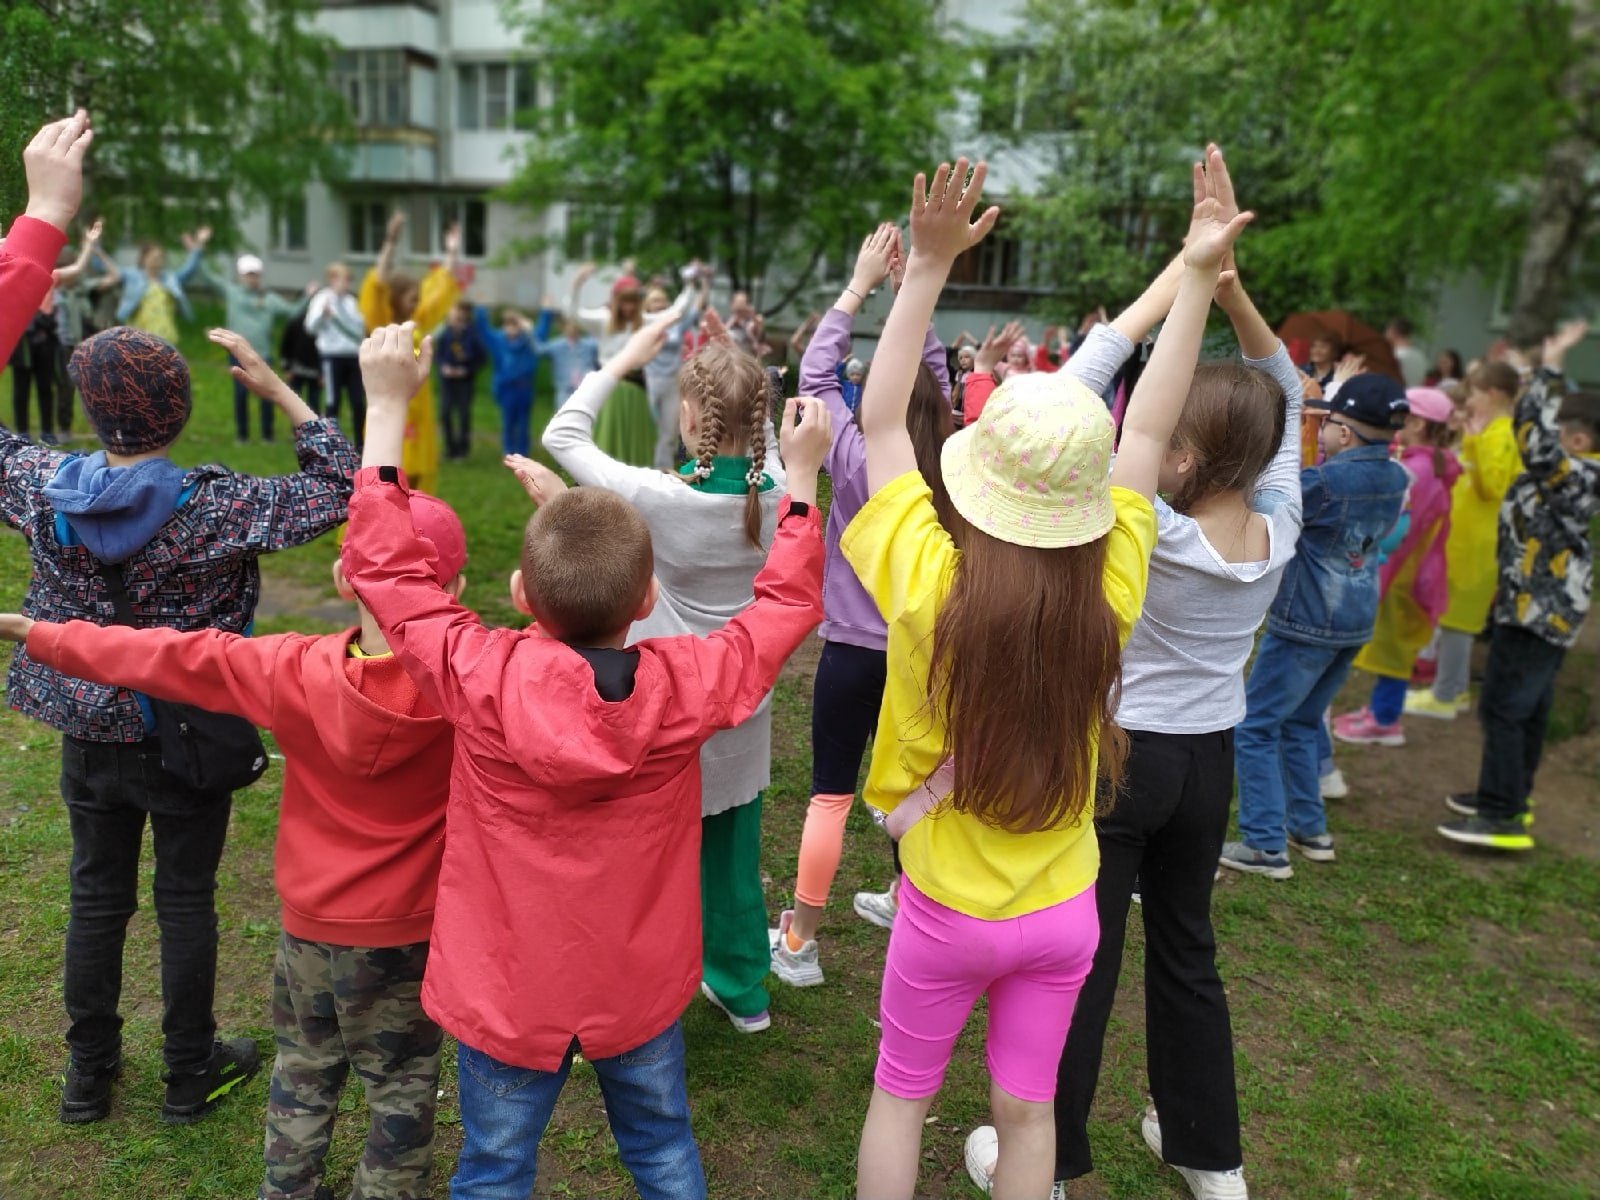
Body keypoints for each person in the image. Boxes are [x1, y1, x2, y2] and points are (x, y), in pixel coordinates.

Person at [343, 321, 829, 1200]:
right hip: (635, 987)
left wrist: (384, 412)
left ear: (521, 594)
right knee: (663, 1150)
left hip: (506, 990)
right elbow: (786, 604)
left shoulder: (477, 674)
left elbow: (388, 574)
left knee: (492, 1167)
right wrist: (800, 481)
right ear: (646, 601)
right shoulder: (690, 687)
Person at [847, 152, 1250, 1200]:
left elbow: (883, 420)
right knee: (1027, 1115)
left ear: (974, 480)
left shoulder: (927, 581)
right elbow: (1153, 423)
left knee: (902, 1096)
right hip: (1067, 903)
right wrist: (1198, 272)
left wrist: (925, 268)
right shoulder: (1111, 581)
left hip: (943, 901)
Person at [3, 141, 359, 1126]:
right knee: (184, 902)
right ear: (180, 408)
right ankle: (187, 1072)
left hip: (86, 718)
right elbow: (343, 483)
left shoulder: (37, 482)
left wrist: (27, 276)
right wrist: (284, 392)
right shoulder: (221, 506)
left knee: (93, 899)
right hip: (190, 723)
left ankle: (87, 1082)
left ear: (88, 408)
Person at [967, 149, 1289, 1200]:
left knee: (1086, 966)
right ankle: (1211, 1159)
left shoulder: (1133, 523)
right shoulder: (1274, 525)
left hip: (1116, 764)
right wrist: (1229, 290)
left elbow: (1079, 383)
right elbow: (1280, 391)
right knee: (1188, 954)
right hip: (1207, 769)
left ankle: (1048, 1165)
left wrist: (1186, 278)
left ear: (1175, 459)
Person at [0, 491, 467, 1200]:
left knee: (303, 1071)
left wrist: (39, 633)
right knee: (401, 1084)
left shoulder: (292, 667)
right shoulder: (481, 680)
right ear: (458, 589)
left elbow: (161, 656)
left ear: (344, 580)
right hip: (408, 935)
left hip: (310, 929)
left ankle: (287, 1189)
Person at [544, 313, 788, 1033]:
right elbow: (764, 448)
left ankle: (642, 993)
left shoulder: (658, 497)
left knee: (649, 859)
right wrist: (743, 377)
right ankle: (743, 990)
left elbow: (563, 435)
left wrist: (624, 356)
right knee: (734, 857)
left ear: (689, 415)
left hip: (667, 708)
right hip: (745, 706)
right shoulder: (779, 491)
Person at [769, 221, 955, 984]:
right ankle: (912, 903)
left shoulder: (851, 452)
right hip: (927, 647)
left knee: (832, 793)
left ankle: (802, 943)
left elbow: (813, 379)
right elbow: (934, 376)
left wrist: (860, 286)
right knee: (920, 788)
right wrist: (922, 285)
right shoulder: (956, 451)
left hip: (851, 650)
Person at [1225, 373, 1410, 877]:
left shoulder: (1325, 483)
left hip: (1306, 622)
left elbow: (1266, 502)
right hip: (1354, 621)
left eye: (1325, 423)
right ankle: (1310, 828)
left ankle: (1265, 844)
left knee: (1256, 726)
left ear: (1344, 433)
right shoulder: (1396, 476)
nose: (1321, 430)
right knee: (1303, 723)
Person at [1440, 321, 1599, 849]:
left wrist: (1548, 369)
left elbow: (1531, 436)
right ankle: (1508, 795)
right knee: (1524, 708)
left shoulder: (1577, 475)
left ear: (1578, 440)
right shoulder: (1577, 472)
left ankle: (1502, 813)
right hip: (1530, 604)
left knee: (1505, 707)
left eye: (1561, 436)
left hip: (1539, 611)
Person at [1332, 388, 1461, 747]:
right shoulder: (1429, 461)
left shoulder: (1418, 470)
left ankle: (1385, 720)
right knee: (1394, 643)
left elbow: (1400, 528)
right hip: (1416, 569)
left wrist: (1379, 572)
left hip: (1405, 574)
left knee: (1393, 647)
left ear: (1416, 423)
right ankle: (1378, 709)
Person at [1403, 361, 1522, 720]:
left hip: (1478, 544)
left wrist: (1472, 439)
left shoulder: (1503, 434)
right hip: (1462, 539)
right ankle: (1448, 688)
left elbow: (1492, 488)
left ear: (1494, 394)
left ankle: (1448, 694)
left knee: (1459, 621)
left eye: (1472, 393)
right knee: (1451, 614)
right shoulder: (1490, 431)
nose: (1467, 401)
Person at [358, 211, 465, 494]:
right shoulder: (380, 321)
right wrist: (390, 241)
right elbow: (377, 283)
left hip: (419, 412)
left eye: (418, 295)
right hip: (391, 411)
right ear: (394, 297)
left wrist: (452, 252)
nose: (417, 299)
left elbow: (441, 288)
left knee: (417, 480)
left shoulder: (416, 322)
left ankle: (416, 529)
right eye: (411, 295)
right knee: (388, 476)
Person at [190, 229, 315, 444]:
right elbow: (206, 275)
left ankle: (267, 435)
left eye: (255, 274)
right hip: (236, 352)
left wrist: (307, 296)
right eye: (248, 274)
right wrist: (199, 247)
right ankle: (242, 435)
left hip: (262, 354)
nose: (252, 278)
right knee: (240, 394)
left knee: (266, 394)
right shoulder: (232, 291)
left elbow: (293, 312)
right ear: (240, 275)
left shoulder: (269, 298)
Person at [567, 260, 664, 467]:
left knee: (635, 442)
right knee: (606, 441)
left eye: (632, 302)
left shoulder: (644, 322)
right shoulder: (604, 321)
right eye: (624, 301)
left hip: (635, 389)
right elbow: (574, 314)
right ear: (616, 301)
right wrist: (577, 284)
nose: (628, 307)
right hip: (609, 387)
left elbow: (674, 314)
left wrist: (693, 284)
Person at [643, 270, 709, 470]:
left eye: (663, 301)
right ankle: (640, 465)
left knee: (669, 430)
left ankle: (661, 469)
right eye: (656, 301)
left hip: (672, 381)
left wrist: (703, 286)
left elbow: (696, 309)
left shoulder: (676, 327)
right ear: (648, 306)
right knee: (646, 427)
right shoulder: (644, 324)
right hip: (651, 381)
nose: (660, 304)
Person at [306, 261, 369, 444]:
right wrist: (322, 316)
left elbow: (359, 328)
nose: (346, 284)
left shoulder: (351, 302)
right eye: (342, 279)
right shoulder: (322, 299)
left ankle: (361, 443)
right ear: (332, 280)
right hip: (331, 357)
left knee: (358, 401)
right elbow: (310, 327)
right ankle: (331, 442)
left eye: (348, 280)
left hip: (352, 356)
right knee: (333, 401)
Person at [110, 230, 204, 344]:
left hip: (165, 335)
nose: (156, 260)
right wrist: (94, 248)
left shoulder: (170, 279)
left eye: (160, 257)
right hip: (139, 336)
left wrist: (198, 245)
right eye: (153, 257)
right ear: (144, 258)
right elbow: (110, 270)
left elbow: (189, 269)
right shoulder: (133, 276)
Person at [434, 299, 488, 460]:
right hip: (448, 381)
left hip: (464, 381)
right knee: (445, 413)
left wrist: (466, 370)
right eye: (453, 314)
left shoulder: (472, 334)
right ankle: (450, 449)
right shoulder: (446, 333)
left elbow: (481, 358)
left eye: (458, 314)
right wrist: (443, 367)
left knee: (464, 414)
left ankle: (462, 450)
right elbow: (438, 355)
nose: (455, 317)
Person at [533, 312, 600, 411]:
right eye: (569, 328)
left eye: (575, 328)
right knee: (563, 417)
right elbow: (539, 350)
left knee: (585, 417)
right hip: (565, 390)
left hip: (585, 389)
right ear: (563, 329)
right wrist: (530, 333)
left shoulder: (589, 345)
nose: (572, 331)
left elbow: (604, 346)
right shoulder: (557, 346)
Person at [1386, 317, 1428, 387]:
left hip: (1396, 396)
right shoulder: (1421, 356)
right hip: (1414, 396)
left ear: (1392, 332)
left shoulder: (1394, 355)